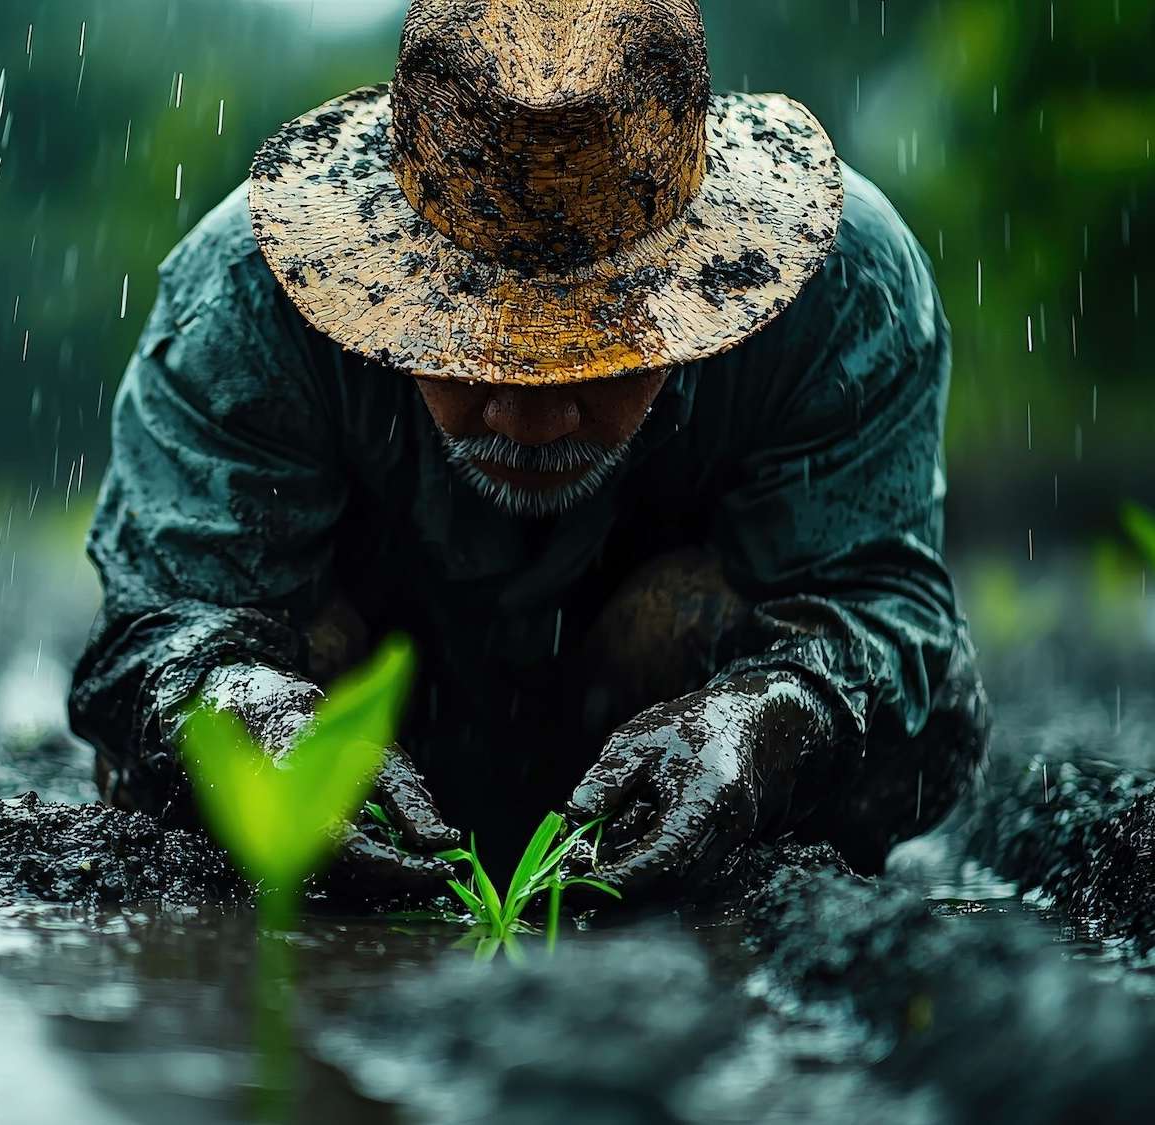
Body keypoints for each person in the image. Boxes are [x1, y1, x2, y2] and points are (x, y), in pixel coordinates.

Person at [69, 0, 988, 899]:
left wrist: (761, 728)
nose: (532, 419)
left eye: (599, 356)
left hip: (673, 736)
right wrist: (250, 707)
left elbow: (876, 609)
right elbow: (157, 628)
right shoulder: (245, 302)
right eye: (470, 352)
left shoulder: (841, 293)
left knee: (914, 714)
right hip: (378, 706)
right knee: (186, 730)